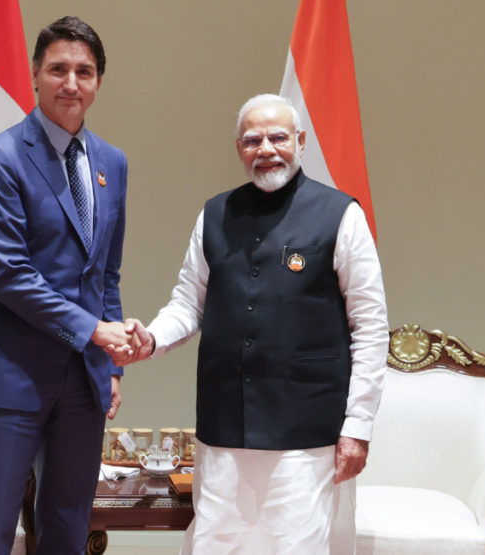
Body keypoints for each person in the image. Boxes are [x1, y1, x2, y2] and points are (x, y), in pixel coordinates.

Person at [114, 94, 389, 554]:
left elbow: (371, 325)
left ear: (300, 142)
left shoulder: (342, 215)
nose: (266, 148)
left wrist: (357, 426)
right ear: (238, 148)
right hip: (225, 427)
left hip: (307, 432)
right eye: (252, 139)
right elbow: (188, 303)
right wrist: (152, 338)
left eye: (278, 137)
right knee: (219, 543)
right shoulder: (214, 215)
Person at [0, 16, 132, 554]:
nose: (70, 83)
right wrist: (95, 331)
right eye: (58, 69)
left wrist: (113, 364)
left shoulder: (112, 163)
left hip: (83, 381)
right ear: (36, 74)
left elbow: (106, 273)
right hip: (9, 376)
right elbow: (8, 274)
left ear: (99, 80)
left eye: (84, 71)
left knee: (68, 528)